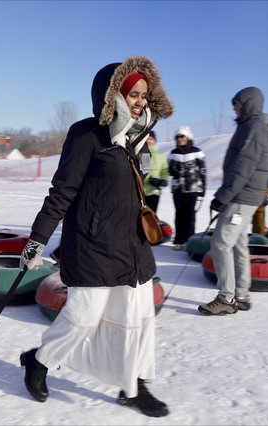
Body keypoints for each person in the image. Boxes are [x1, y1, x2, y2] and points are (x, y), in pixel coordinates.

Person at [18, 55, 174, 417]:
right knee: (83, 318)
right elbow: (62, 192)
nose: (138, 102)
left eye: (142, 96)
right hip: (93, 247)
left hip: (132, 247)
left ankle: (133, 386)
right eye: (132, 94)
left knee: (137, 321)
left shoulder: (138, 139)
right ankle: (39, 362)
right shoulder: (86, 134)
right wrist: (37, 239)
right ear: (113, 94)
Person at [199, 87, 268, 315]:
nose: (234, 108)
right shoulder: (252, 127)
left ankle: (226, 298)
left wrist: (223, 196)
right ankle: (241, 294)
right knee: (239, 244)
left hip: (241, 198)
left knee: (221, 244)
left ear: (248, 104)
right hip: (245, 197)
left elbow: (242, 168)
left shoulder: (254, 128)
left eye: (238, 104)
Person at [167, 125, 206, 250]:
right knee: (179, 214)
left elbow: (203, 171)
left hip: (193, 188)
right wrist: (175, 172)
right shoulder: (173, 153)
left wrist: (203, 189)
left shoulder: (197, 151)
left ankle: (189, 241)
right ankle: (179, 241)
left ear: (188, 137)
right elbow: (169, 169)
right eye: (177, 137)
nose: (179, 139)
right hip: (178, 189)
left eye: (182, 136)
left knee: (190, 215)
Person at [251, 115, 268, 235]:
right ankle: (259, 235)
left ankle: (260, 239)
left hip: (263, 181)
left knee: (258, 211)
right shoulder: (266, 137)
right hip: (263, 180)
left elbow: (266, 162)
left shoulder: (265, 138)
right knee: (257, 211)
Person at [143, 130, 169, 213]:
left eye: (151, 139)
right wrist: (150, 180)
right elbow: (144, 172)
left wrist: (163, 180)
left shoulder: (160, 155)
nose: (149, 141)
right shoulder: (144, 154)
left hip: (154, 192)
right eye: (147, 138)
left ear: (155, 141)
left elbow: (164, 170)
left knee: (152, 216)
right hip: (142, 192)